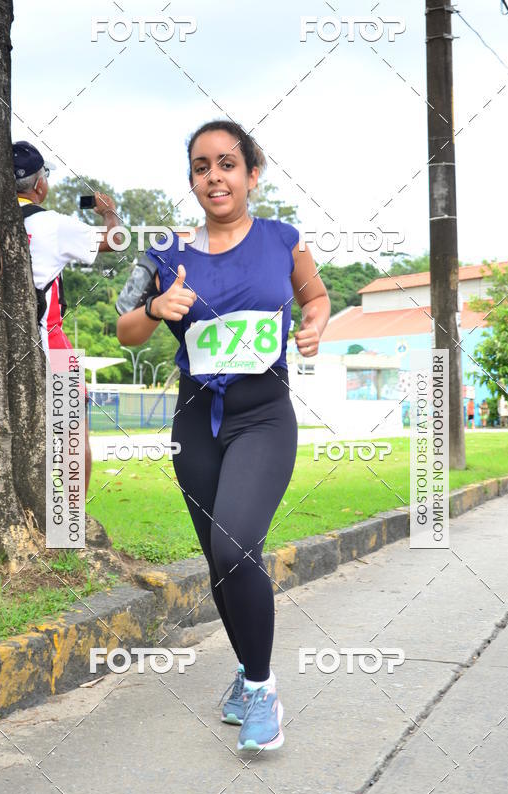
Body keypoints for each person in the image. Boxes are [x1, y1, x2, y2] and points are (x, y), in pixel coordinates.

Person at [117, 120, 330, 751]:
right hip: (196, 420)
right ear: (192, 179)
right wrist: (156, 309)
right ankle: (245, 673)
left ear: (251, 174)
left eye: (228, 164)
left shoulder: (283, 241)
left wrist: (316, 325)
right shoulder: (162, 255)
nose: (215, 176)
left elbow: (316, 299)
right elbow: (125, 328)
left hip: (263, 416)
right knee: (220, 554)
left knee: (236, 545)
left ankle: (263, 690)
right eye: (202, 166)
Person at [13, 140, 121, 490]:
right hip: (49, 346)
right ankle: (71, 521)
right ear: (40, 184)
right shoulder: (53, 225)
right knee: (73, 436)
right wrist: (107, 211)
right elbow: (116, 241)